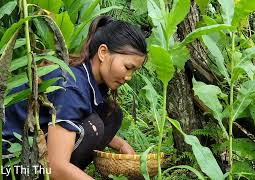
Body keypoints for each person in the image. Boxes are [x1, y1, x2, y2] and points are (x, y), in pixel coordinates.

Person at [3, 15, 147, 179]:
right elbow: (56, 166)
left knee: (111, 115)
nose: (129, 76)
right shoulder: (73, 87)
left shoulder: (88, 79)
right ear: (103, 52)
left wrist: (120, 144)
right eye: (128, 67)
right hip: (11, 166)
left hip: (31, 151)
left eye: (133, 71)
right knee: (93, 126)